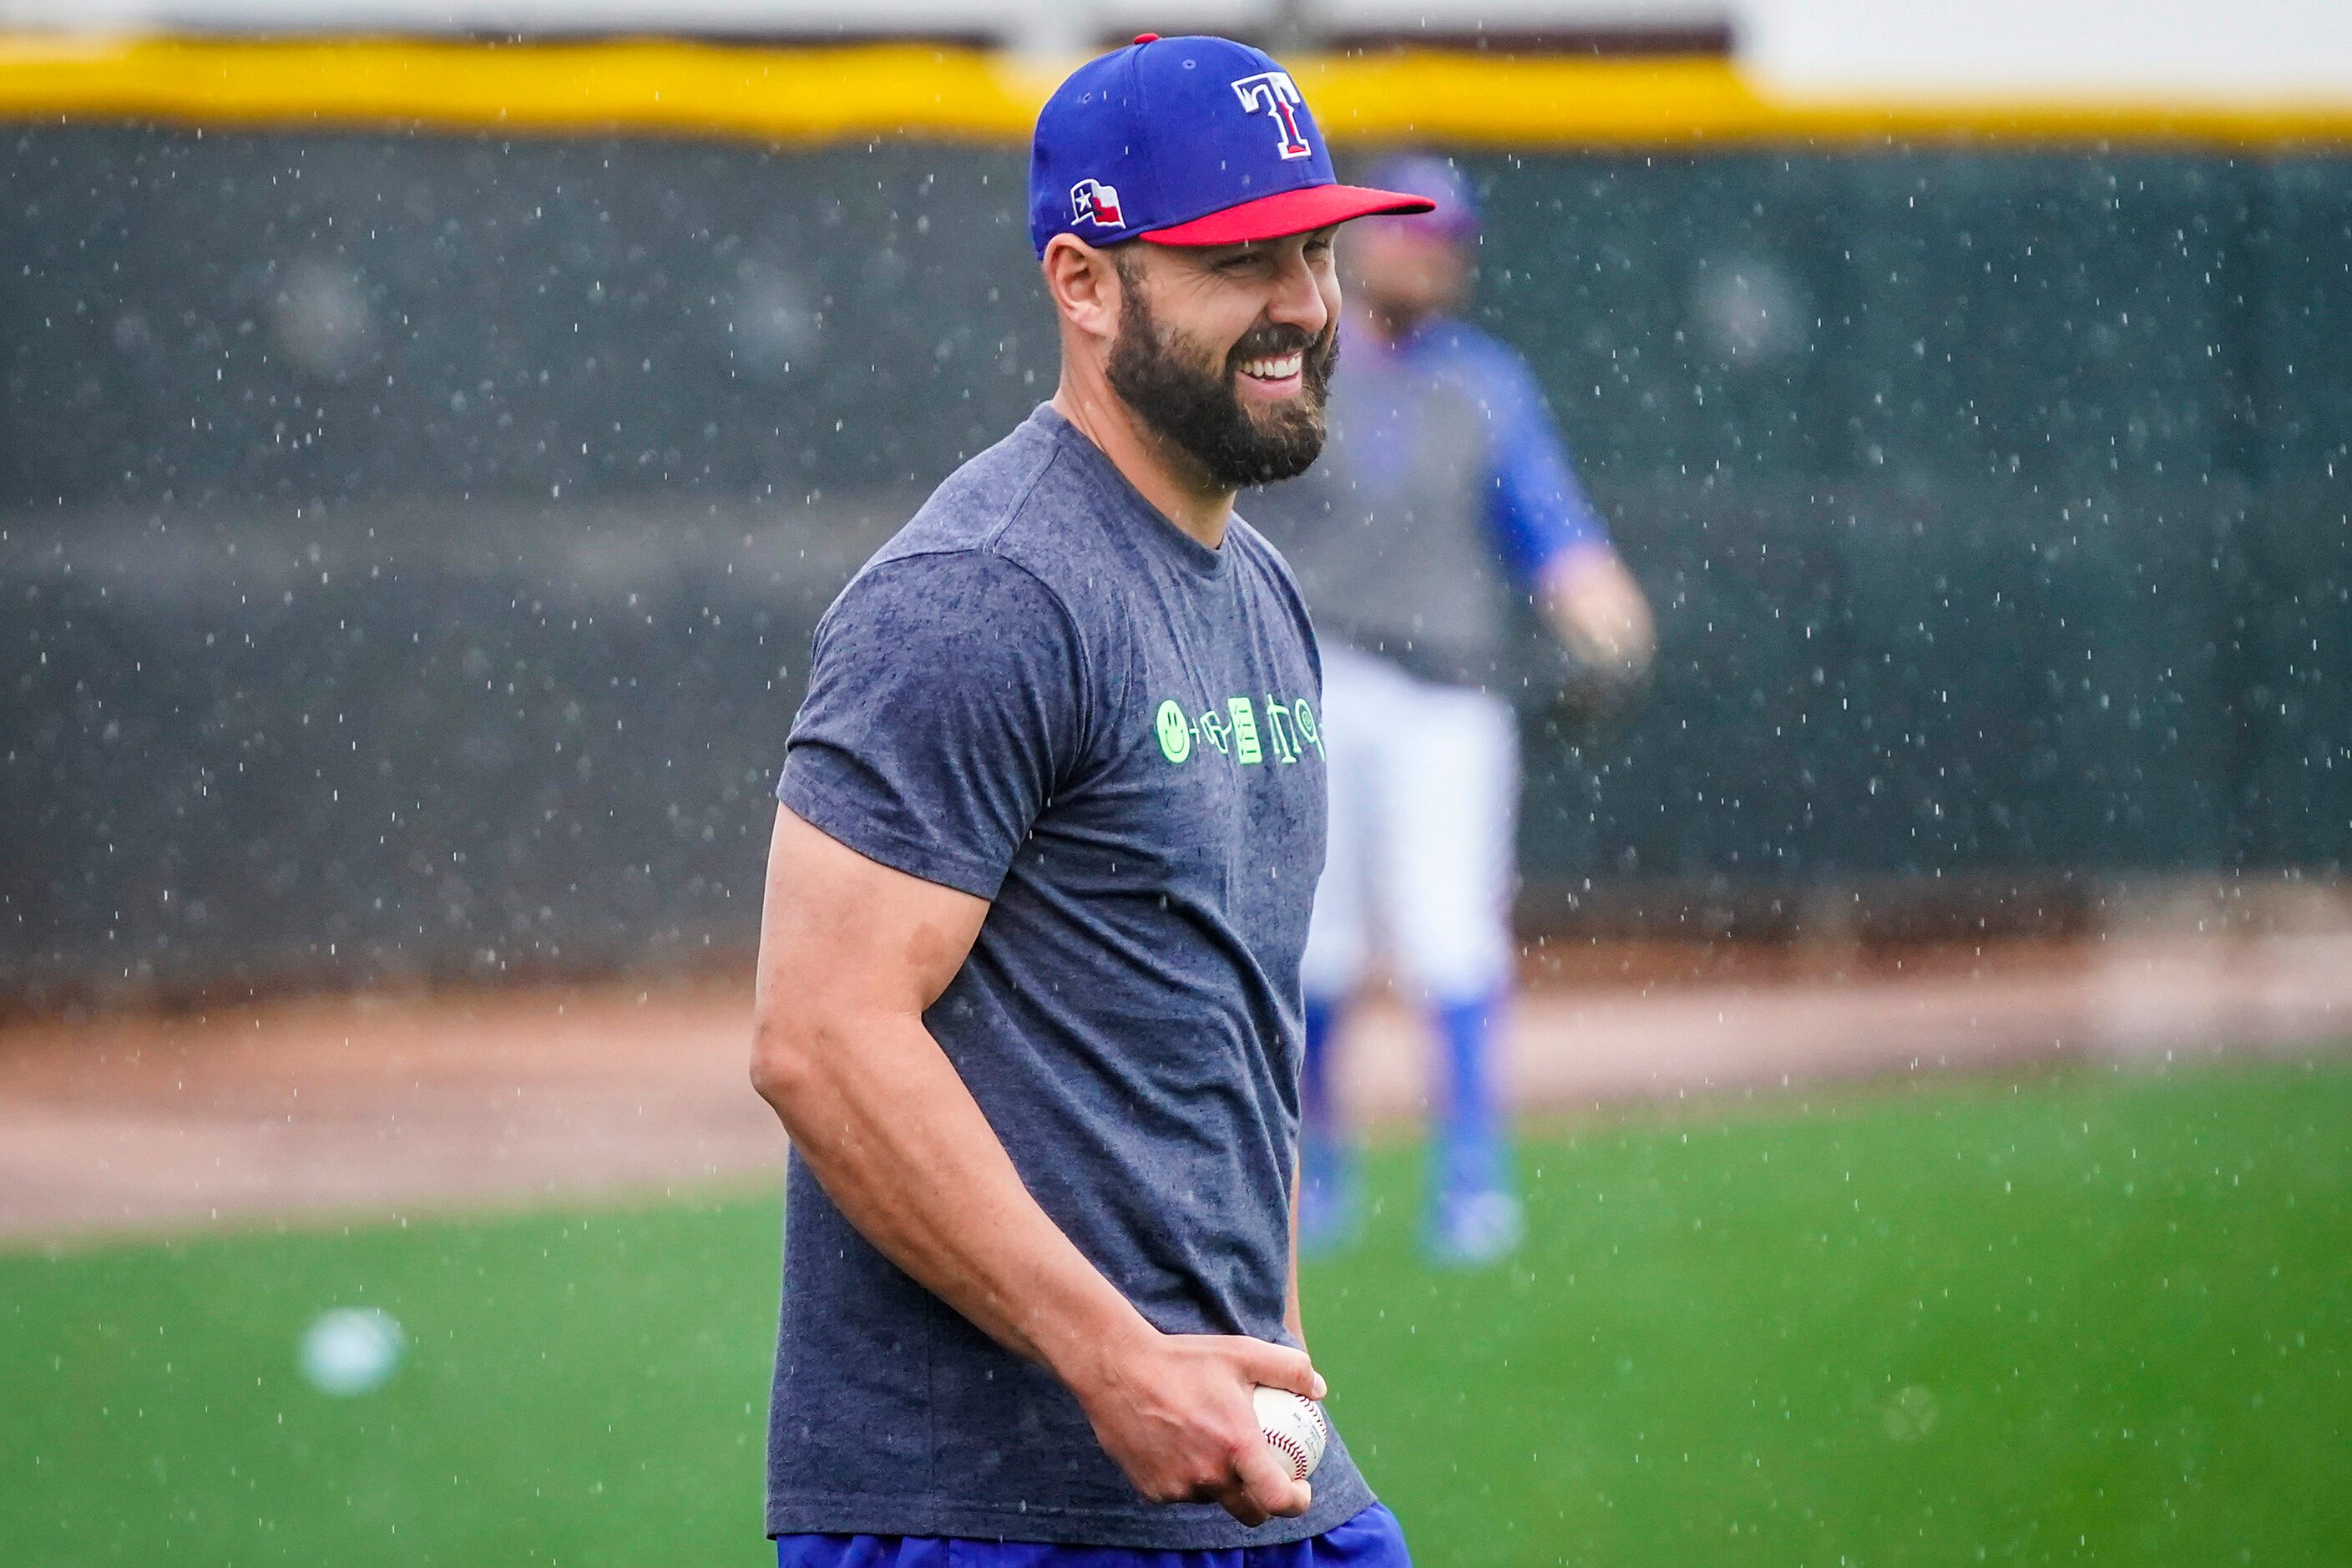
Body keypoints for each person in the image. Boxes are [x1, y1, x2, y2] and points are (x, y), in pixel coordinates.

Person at [748, 34, 1434, 1565]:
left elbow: (1227, 1047)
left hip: (1247, 1483)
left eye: (1314, 248)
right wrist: (1120, 1367)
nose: (1304, 305)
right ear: (1084, 280)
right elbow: (819, 1035)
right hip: (992, 1517)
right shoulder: (980, 592)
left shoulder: (1257, 592)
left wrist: (1277, 1384)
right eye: (1238, 260)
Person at [1246, 154, 1657, 1267]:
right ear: (1357, 246)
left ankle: (1470, 1174)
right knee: (1311, 940)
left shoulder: (1484, 381)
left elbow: (1551, 527)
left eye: (1442, 242)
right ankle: (1316, 1167)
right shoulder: (1294, 364)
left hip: (1447, 692)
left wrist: (1605, 610)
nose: (1420, 257)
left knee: (1448, 932)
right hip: (1316, 675)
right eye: (1403, 235)